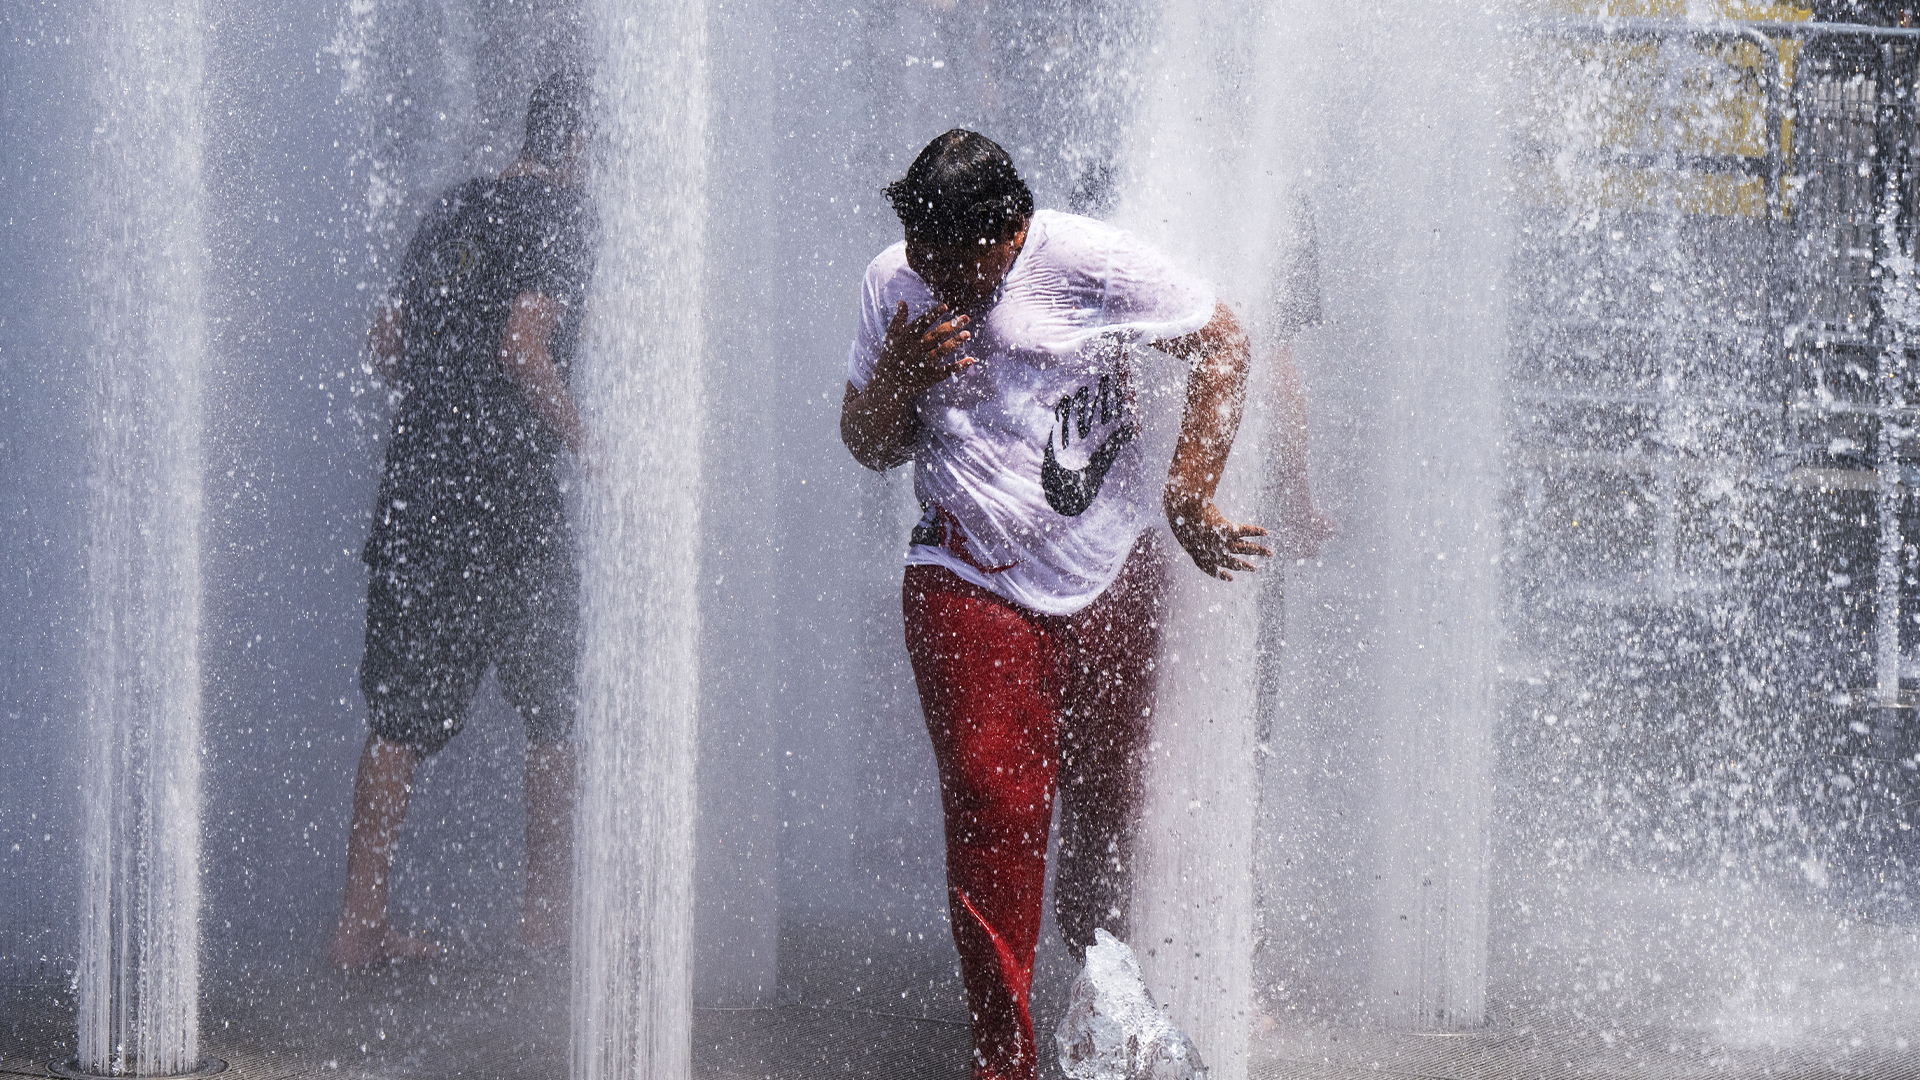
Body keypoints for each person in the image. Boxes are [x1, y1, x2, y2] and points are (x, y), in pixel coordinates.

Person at [839, 129, 1278, 1080]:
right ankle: (1004, 1058)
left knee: (1108, 803)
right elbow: (867, 443)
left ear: (1008, 235)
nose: (929, 277)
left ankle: (1109, 1005)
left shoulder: (1085, 263)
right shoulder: (895, 285)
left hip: (1110, 577)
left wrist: (1189, 492)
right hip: (966, 580)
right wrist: (899, 380)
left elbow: (1223, 342)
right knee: (995, 810)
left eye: (949, 262)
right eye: (918, 254)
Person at [324, 71, 595, 969]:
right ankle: (544, 922)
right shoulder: (564, 216)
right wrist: (597, 443)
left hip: (419, 487)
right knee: (556, 707)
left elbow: (388, 345)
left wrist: (445, 402)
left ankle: (359, 927)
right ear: (582, 146)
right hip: (508, 499)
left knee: (398, 713)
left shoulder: (450, 210)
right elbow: (525, 348)